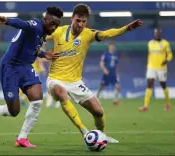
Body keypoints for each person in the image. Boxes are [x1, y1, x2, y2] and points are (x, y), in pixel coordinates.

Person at [45, 4, 142, 143]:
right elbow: (40, 36)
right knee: (61, 92)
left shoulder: (88, 34)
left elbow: (107, 33)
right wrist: (41, 52)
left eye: (84, 21)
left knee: (98, 111)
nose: (81, 24)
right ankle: (85, 132)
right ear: (72, 18)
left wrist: (126, 28)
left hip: (75, 82)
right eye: (78, 20)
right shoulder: (58, 32)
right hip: (55, 79)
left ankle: (102, 136)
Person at [0, 6, 63, 148]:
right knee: (14, 111)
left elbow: (32, 47)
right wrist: (7, 20)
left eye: (56, 25)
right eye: (52, 24)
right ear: (45, 20)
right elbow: (22, 24)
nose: (54, 28)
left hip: (26, 67)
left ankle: (22, 138)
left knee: (37, 100)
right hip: (10, 68)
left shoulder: (42, 34)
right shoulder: (35, 25)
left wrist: (43, 54)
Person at [139, 28, 173, 112]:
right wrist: (148, 65)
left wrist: (167, 60)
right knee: (149, 84)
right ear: (154, 34)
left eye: (158, 33)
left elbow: (170, 55)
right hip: (151, 67)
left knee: (163, 85)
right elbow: (150, 55)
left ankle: (168, 104)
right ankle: (145, 106)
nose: (157, 34)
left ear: (160, 34)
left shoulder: (165, 43)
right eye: (156, 33)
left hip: (161, 68)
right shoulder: (150, 43)